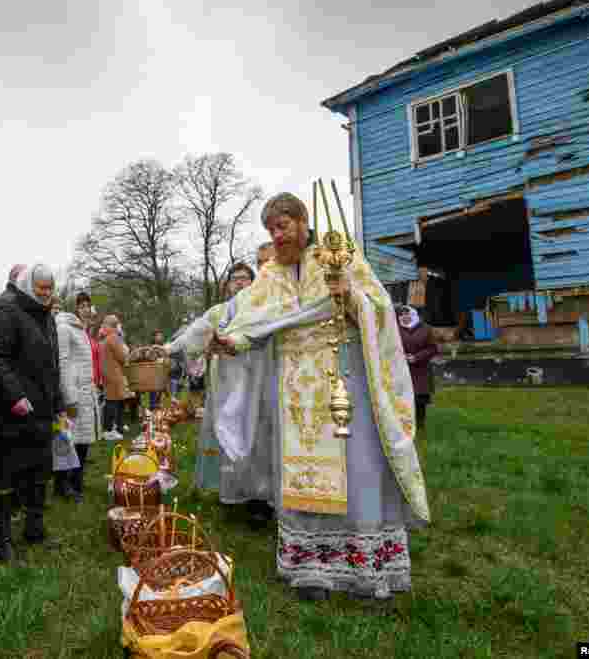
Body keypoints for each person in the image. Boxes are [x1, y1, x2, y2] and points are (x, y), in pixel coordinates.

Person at [165, 191, 430, 602]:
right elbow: (251, 320)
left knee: (355, 470)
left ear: (303, 221)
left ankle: (365, 571)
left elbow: (379, 308)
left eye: (282, 226)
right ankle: (311, 570)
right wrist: (230, 342)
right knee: (299, 477)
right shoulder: (270, 275)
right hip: (294, 397)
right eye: (271, 230)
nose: (277, 236)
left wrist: (351, 296)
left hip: (343, 383)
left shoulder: (338, 255)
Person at [0, 264, 67, 562]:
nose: (46, 293)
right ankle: (1, 541)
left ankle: (34, 529)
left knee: (38, 472)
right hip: (9, 412)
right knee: (5, 476)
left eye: (49, 288)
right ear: (29, 285)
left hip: (40, 409)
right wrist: (15, 395)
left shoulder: (46, 316)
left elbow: (50, 365)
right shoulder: (7, 309)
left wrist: (57, 404)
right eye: (41, 287)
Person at [193, 263, 256, 502]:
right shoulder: (218, 312)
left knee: (250, 435)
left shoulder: (260, 307)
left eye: (245, 278)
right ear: (228, 285)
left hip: (251, 382)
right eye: (235, 279)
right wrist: (172, 348)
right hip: (223, 382)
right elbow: (195, 334)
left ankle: (254, 491)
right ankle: (229, 488)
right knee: (226, 433)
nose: (240, 282)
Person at [53, 293, 100, 503]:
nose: (86, 309)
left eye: (88, 306)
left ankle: (77, 482)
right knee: (65, 440)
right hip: (71, 394)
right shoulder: (64, 328)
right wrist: (69, 397)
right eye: (82, 306)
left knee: (82, 442)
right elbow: (62, 363)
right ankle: (63, 485)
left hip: (85, 391)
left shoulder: (82, 331)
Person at [396, 305, 438, 432]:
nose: (404, 317)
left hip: (421, 370)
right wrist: (401, 356)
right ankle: (405, 426)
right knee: (403, 399)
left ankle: (420, 427)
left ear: (413, 315)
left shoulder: (426, 329)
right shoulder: (395, 329)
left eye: (407, 314)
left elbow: (433, 349)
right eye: (401, 315)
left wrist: (416, 357)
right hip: (402, 370)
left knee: (419, 400)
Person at [100, 314, 129, 440]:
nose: (103, 327)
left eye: (104, 324)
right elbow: (123, 357)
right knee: (112, 403)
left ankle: (117, 426)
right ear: (114, 326)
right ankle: (108, 430)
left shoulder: (106, 339)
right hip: (115, 374)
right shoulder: (113, 338)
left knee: (115, 402)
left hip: (108, 374)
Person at [147, 329, 166, 410]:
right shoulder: (151, 347)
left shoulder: (163, 346)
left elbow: (165, 357)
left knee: (160, 392)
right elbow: (149, 357)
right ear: (154, 337)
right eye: (158, 335)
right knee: (153, 392)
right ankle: (152, 408)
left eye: (161, 335)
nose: (160, 337)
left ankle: (158, 408)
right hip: (153, 373)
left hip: (161, 372)